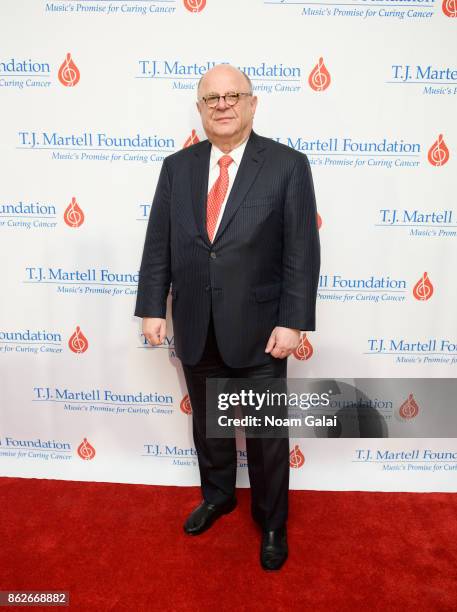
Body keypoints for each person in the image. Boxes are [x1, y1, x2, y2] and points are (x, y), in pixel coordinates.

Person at [135, 64, 320, 570]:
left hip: (262, 330)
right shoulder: (177, 167)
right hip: (196, 322)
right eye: (211, 97)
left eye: (232, 95)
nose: (222, 104)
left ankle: (272, 520)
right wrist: (152, 306)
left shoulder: (286, 165)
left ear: (252, 103)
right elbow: (158, 245)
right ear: (199, 108)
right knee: (210, 429)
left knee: (263, 437)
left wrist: (293, 320)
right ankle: (218, 496)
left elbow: (302, 250)